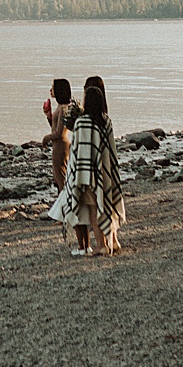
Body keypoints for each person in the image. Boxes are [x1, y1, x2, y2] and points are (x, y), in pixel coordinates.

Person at [48, 85, 125, 256]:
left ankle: (101, 245)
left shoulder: (83, 122)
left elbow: (78, 151)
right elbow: (110, 150)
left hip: (87, 174)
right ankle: (113, 241)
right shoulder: (106, 121)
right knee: (107, 207)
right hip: (105, 172)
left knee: (93, 211)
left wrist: (74, 174)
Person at [41, 78, 79, 192]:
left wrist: (46, 138)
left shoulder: (63, 108)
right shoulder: (59, 107)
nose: (50, 90)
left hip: (61, 147)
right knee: (57, 177)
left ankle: (64, 204)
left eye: (53, 88)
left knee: (61, 178)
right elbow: (55, 128)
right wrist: (49, 116)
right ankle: (61, 202)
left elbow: (60, 133)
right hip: (57, 146)